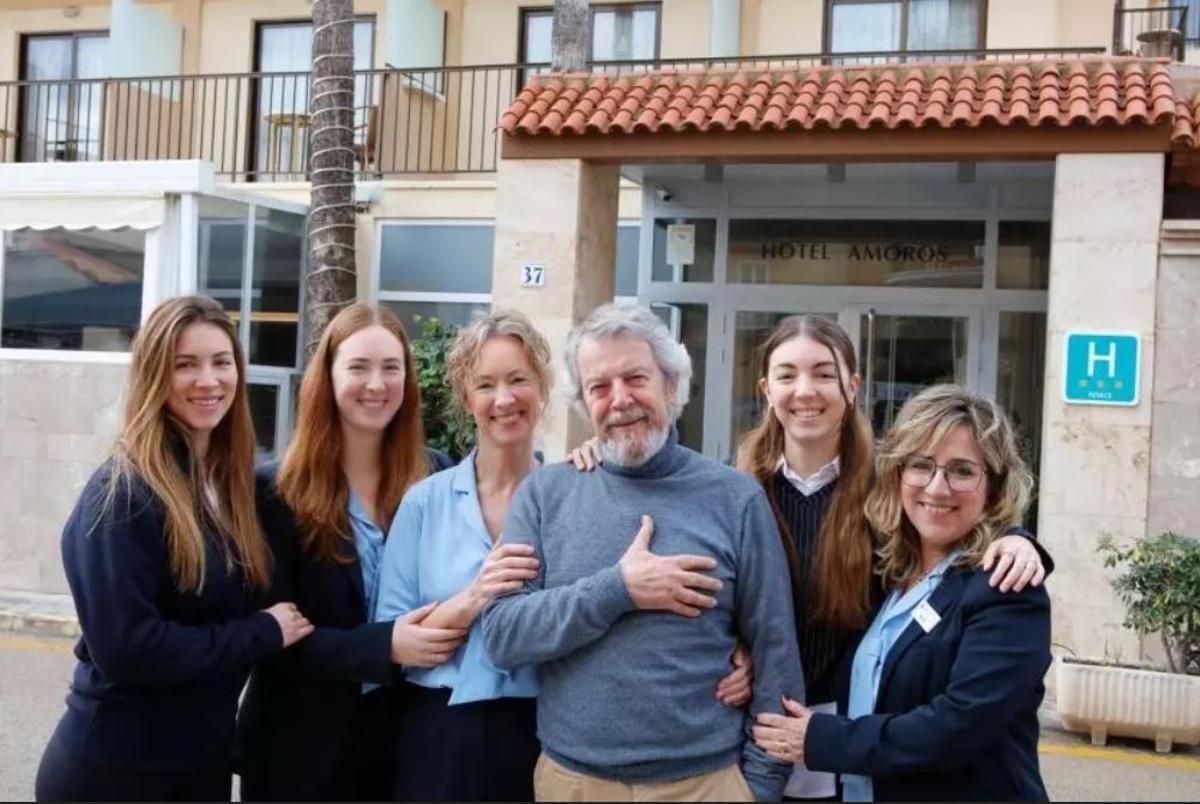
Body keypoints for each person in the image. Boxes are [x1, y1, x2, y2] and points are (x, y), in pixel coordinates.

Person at [570, 314, 1049, 800]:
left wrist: (1016, 538)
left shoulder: (887, 490)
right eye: (787, 375)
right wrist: (601, 449)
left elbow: (955, 523)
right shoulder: (729, 490)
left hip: (853, 738)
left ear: (852, 386)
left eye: (823, 373)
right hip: (751, 732)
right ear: (766, 390)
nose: (806, 391)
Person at [481, 303, 804, 802]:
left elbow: (775, 652)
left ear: (671, 385)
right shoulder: (547, 494)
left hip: (706, 785)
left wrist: (758, 788)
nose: (620, 400)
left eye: (635, 378)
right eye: (599, 387)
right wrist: (619, 590)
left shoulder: (735, 499)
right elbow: (503, 637)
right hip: (575, 785)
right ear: (584, 404)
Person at [35, 295, 312, 803]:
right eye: (185, 365)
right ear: (154, 377)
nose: (209, 380)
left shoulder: (235, 490)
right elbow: (128, 651)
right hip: (114, 775)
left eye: (221, 362)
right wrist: (261, 632)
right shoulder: (122, 495)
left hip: (198, 769)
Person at [753, 384, 1051, 801]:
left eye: (962, 470)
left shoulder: (1006, 590)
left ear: (995, 487)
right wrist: (740, 655)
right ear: (897, 474)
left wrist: (823, 740)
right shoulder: (887, 575)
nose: (937, 487)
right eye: (921, 465)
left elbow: (959, 725)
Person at [234, 304, 463, 801]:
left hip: (403, 746)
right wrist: (385, 647)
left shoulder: (437, 475)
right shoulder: (275, 492)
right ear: (328, 377)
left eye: (391, 367)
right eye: (358, 367)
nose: (376, 384)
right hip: (299, 754)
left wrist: (586, 459)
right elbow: (272, 642)